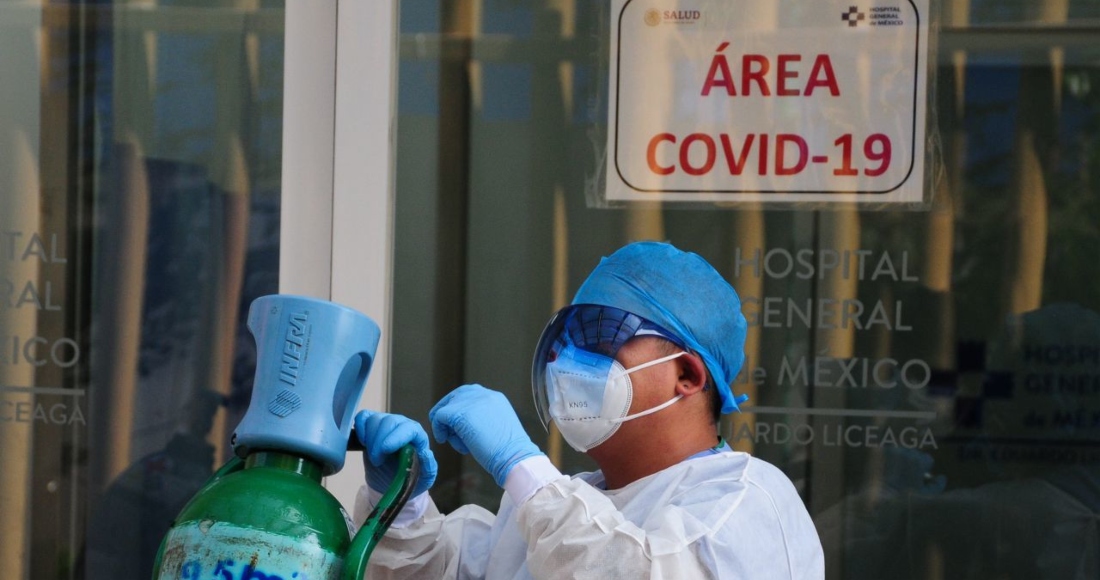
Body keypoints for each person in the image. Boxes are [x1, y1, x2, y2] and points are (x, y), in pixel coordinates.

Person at [353, 241, 824, 579]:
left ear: (688, 374)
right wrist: (401, 503)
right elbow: (437, 571)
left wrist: (522, 466)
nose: (564, 361)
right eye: (565, 341)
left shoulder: (747, 500)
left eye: (599, 338)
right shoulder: (549, 515)